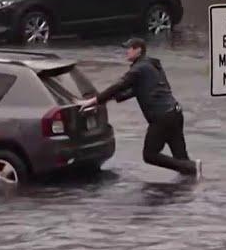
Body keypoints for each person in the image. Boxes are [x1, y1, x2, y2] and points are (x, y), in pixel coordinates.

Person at [77, 38, 202, 178]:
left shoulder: (139, 69)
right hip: (174, 112)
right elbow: (135, 90)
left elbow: (119, 85)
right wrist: (110, 99)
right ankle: (191, 188)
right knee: (180, 159)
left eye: (130, 48)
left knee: (150, 155)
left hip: (162, 118)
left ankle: (192, 168)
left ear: (138, 50)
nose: (127, 51)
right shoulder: (152, 65)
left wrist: (95, 101)